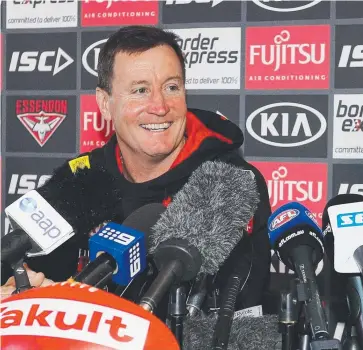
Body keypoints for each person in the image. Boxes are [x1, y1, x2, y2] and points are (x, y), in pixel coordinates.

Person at [1, 26, 273, 318]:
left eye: (171, 87)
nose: (159, 106)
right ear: (105, 104)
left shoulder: (229, 182)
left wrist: (66, 303)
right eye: (140, 90)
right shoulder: (82, 180)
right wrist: (23, 287)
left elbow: (210, 318)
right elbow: (29, 271)